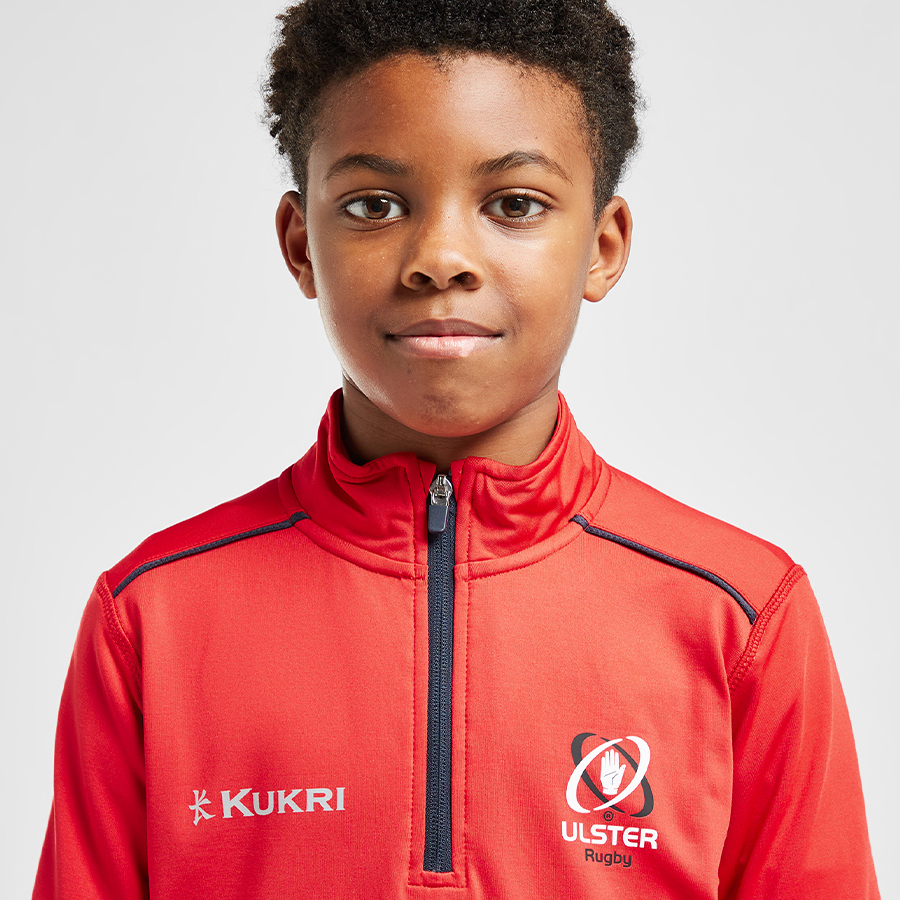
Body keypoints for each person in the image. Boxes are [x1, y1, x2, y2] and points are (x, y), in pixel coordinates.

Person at [33, 0, 880, 897]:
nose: (440, 258)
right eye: (374, 204)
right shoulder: (153, 617)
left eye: (514, 205)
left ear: (602, 246)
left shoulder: (738, 613)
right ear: (300, 244)